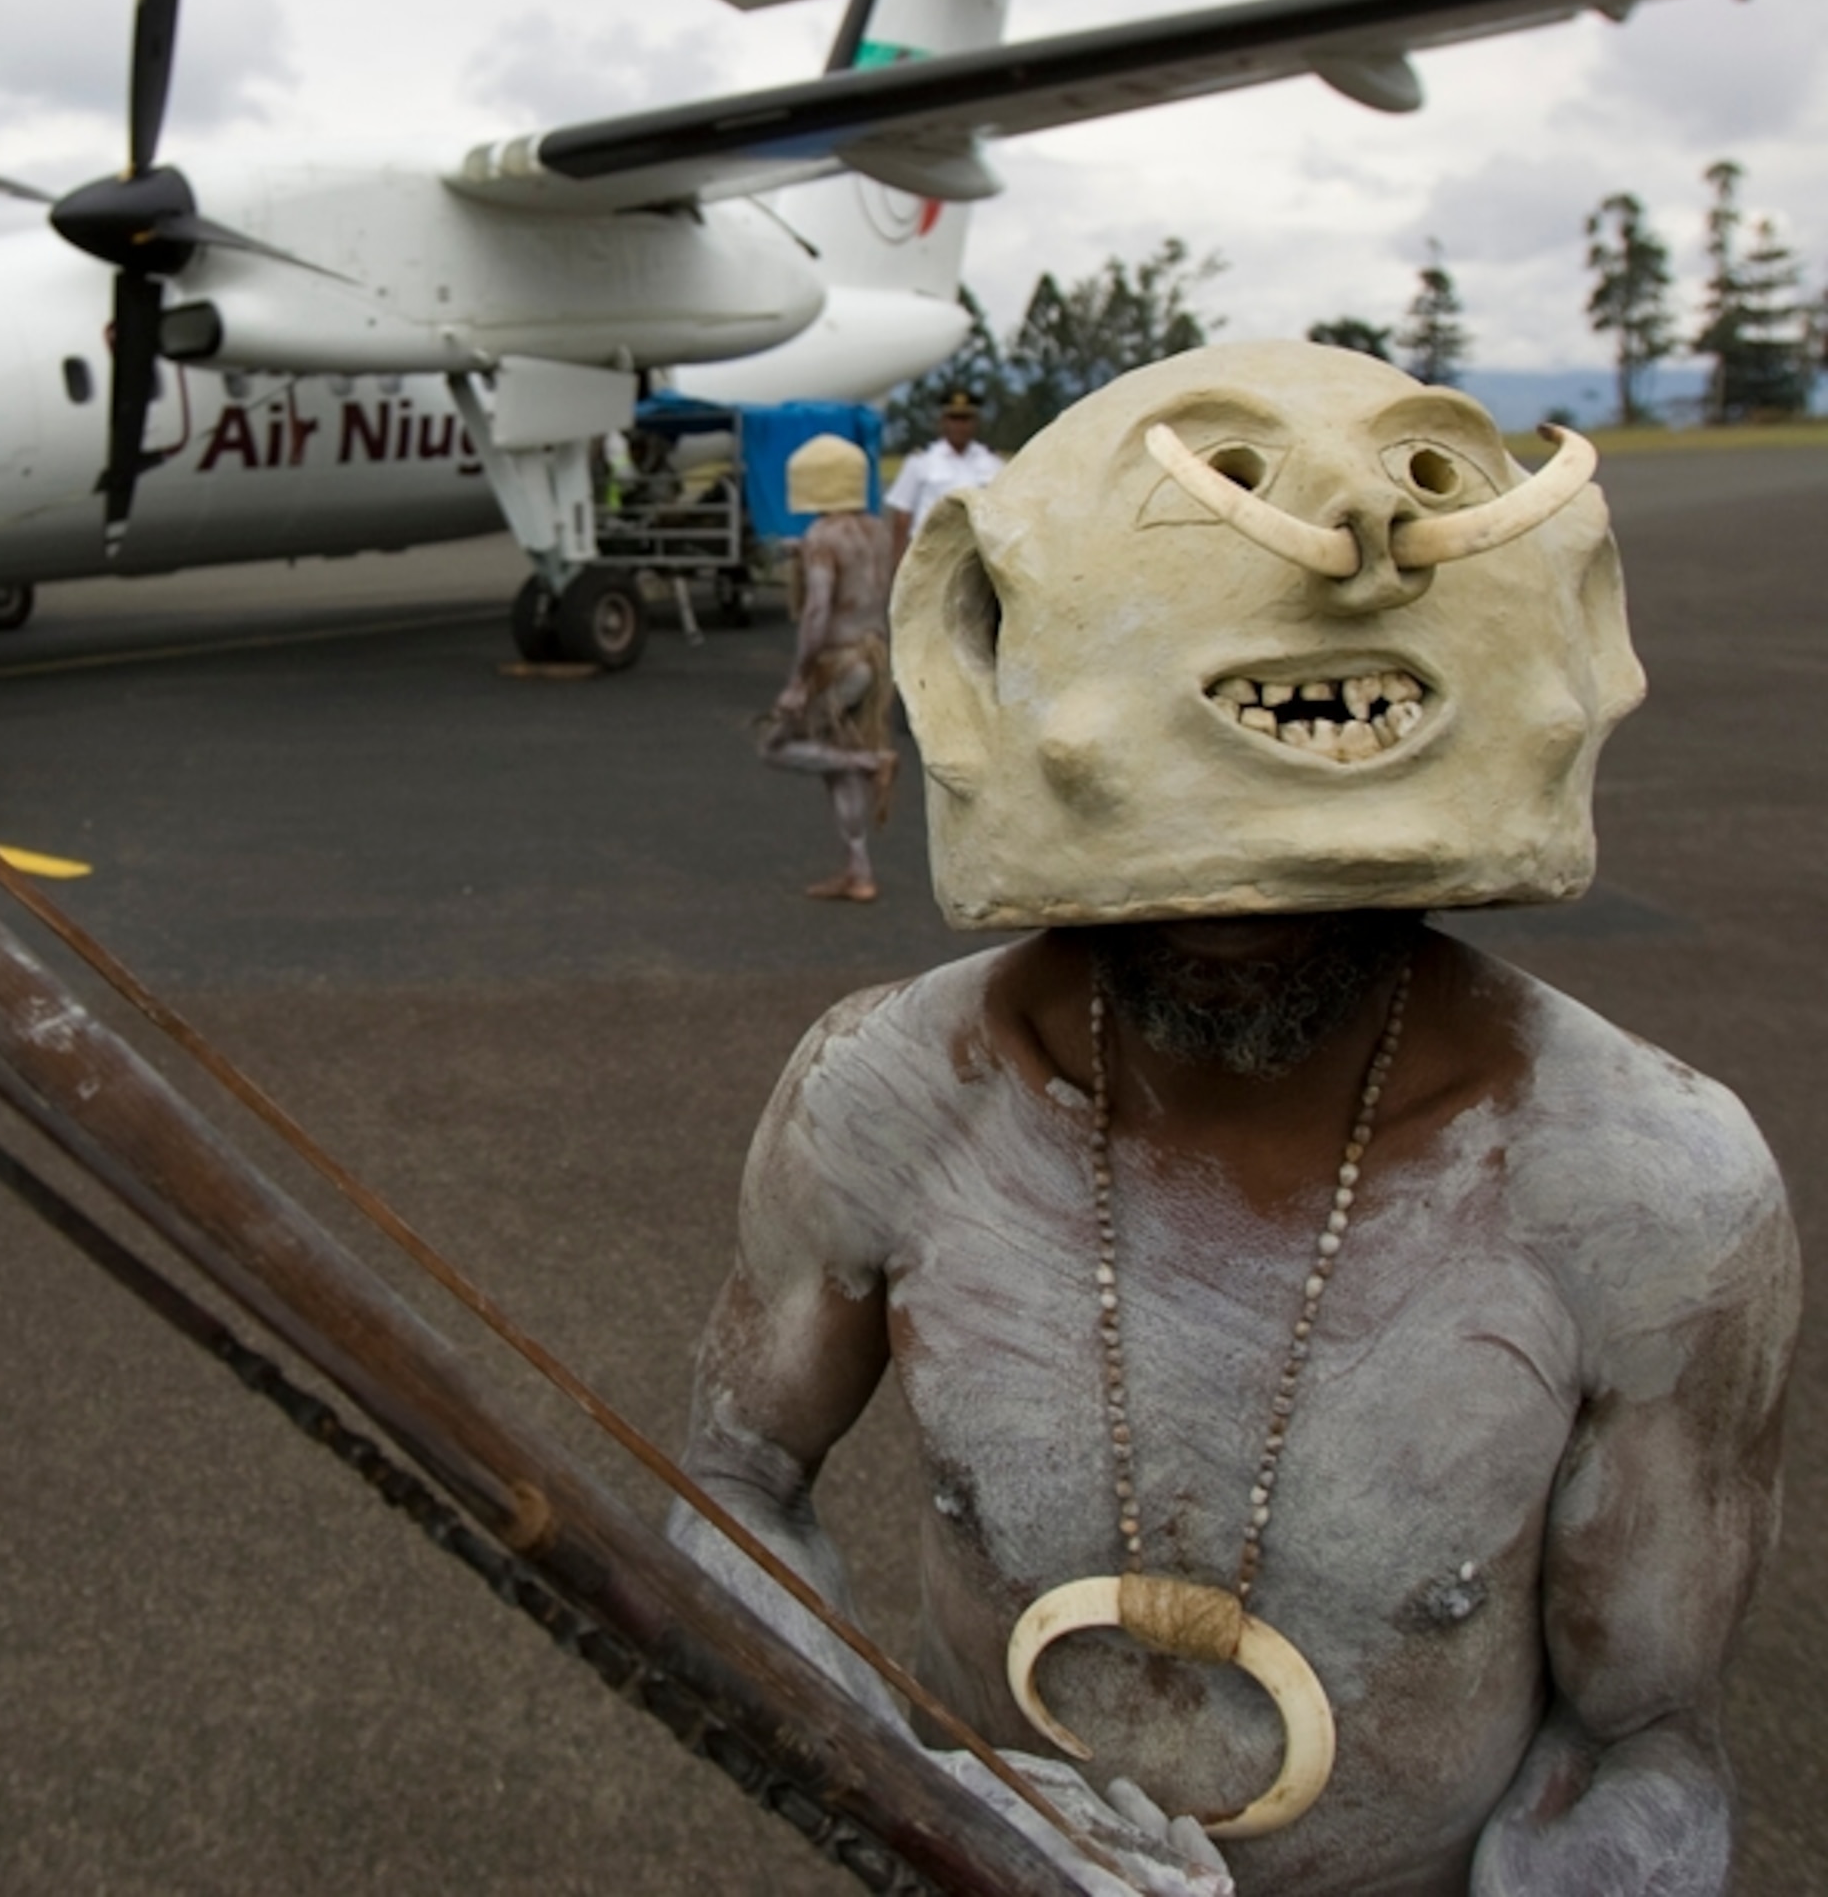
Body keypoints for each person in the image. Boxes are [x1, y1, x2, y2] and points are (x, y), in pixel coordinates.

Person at [673, 343, 1793, 1895]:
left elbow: (1644, 1744)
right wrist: (888, 1786)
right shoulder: (890, 1100)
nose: (1236, 928)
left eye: (1297, 894)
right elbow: (734, 1486)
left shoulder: (1649, 1193)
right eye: (1189, 898)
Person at [755, 434, 898, 903]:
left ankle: (872, 762)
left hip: (839, 663)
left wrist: (798, 680)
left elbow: (817, 612)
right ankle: (859, 872)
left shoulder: (822, 538)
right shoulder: (877, 530)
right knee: (833, 767)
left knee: (775, 746)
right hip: (873, 657)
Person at [883, 389, 1002, 561]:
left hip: (977, 555)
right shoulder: (921, 460)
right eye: (954, 419)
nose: (959, 426)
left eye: (965, 419)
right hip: (930, 554)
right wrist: (897, 562)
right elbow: (902, 515)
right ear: (943, 421)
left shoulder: (992, 462)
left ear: (975, 422)